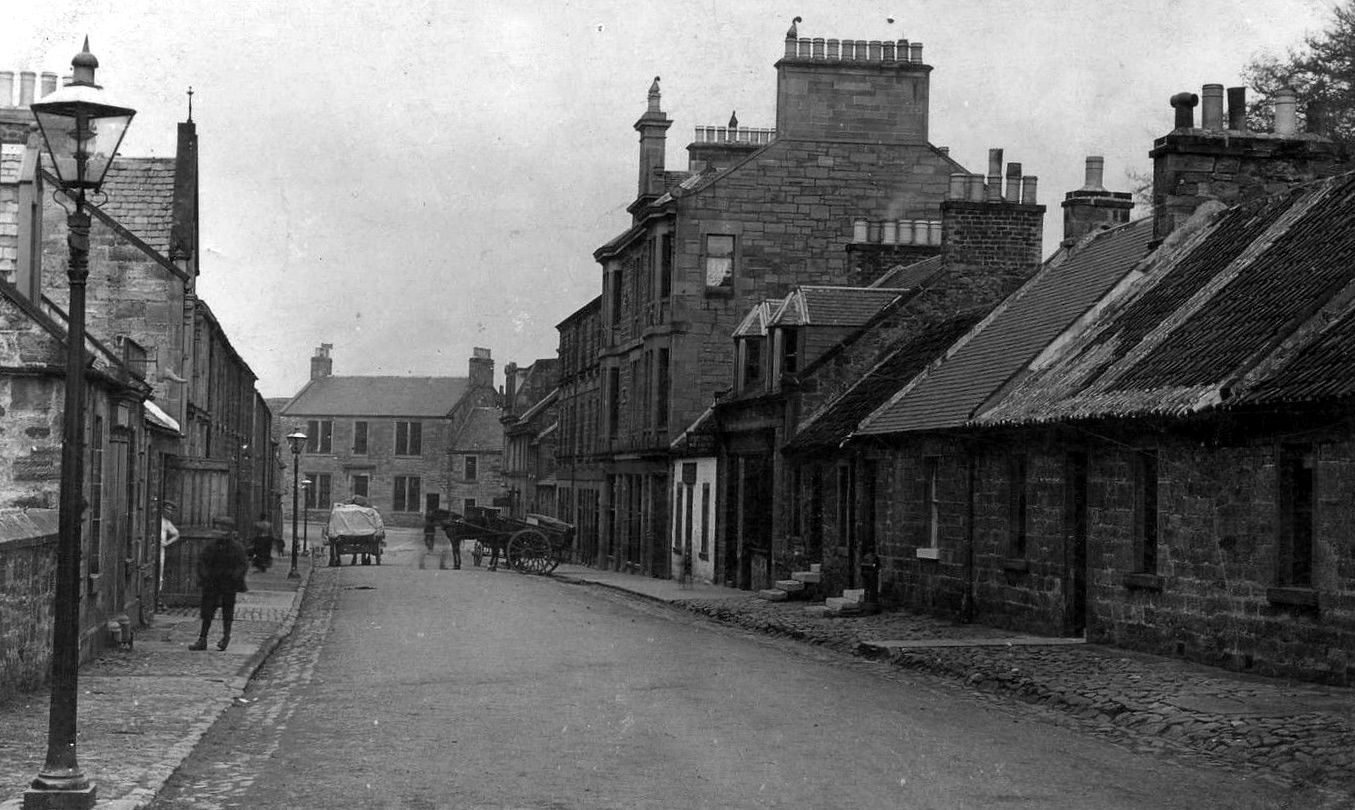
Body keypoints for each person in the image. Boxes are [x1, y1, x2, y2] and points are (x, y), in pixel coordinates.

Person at [189, 515, 249, 651]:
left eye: (222, 529)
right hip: (212, 583)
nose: (219, 531)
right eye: (218, 528)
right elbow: (202, 562)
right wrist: (205, 576)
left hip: (228, 584)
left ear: (228, 530)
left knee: (227, 612)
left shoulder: (236, 547)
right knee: (207, 612)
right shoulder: (211, 546)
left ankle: (225, 637)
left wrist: (234, 577)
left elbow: (243, 564)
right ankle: (202, 639)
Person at [325, 494, 385, 566]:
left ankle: (335, 559)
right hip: (366, 534)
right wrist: (378, 532)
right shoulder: (370, 510)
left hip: (342, 534)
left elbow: (331, 526)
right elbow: (378, 523)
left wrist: (332, 534)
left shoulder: (338, 510)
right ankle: (364, 557)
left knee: (334, 542)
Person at [158, 500, 181, 606]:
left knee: (160, 573)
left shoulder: (167, 522)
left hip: (160, 550)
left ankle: (158, 598)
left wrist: (167, 543)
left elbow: (176, 534)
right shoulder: (156, 520)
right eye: (167, 509)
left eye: (170, 510)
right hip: (151, 549)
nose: (169, 512)